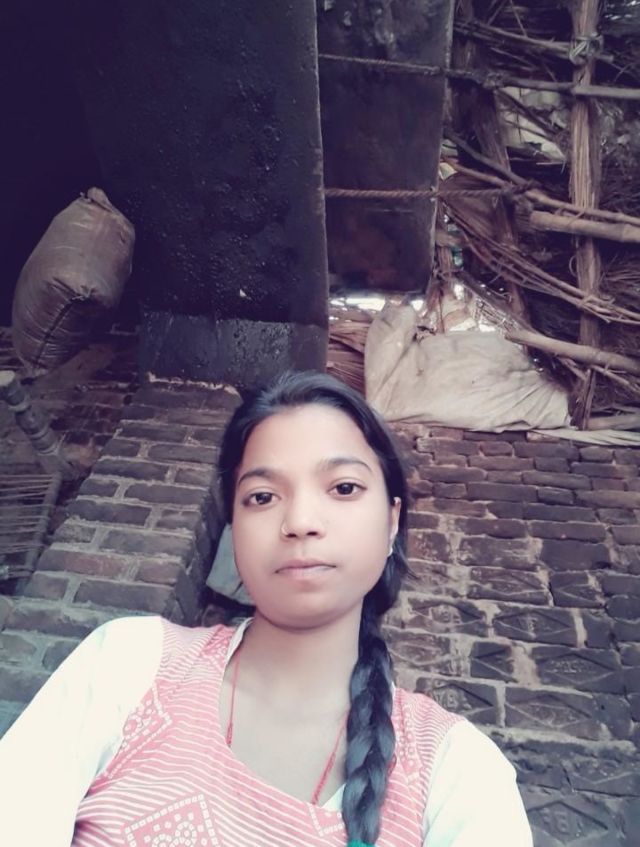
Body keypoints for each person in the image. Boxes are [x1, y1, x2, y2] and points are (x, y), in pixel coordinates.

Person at [0, 370, 533, 847]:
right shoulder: (127, 665)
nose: (300, 521)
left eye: (343, 487)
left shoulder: (457, 774)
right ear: (234, 527)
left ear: (392, 521)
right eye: (262, 496)